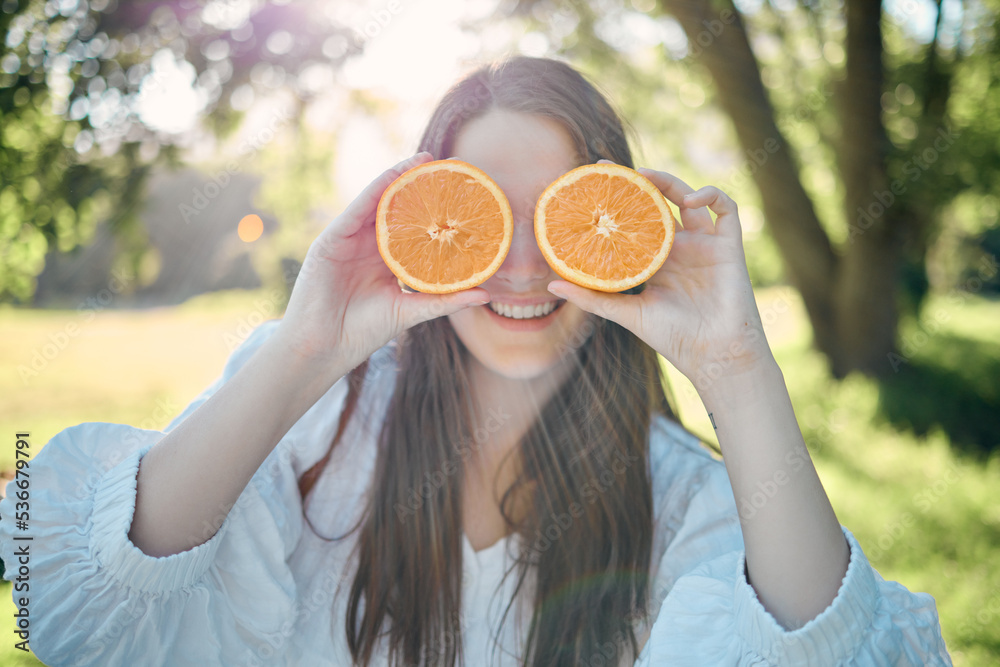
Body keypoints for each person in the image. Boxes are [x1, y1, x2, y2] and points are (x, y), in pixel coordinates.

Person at [0, 56, 950, 666]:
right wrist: (305, 347)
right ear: (421, 222)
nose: (527, 267)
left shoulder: (689, 499)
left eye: (567, 219)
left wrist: (738, 366)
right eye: (482, 216)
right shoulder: (320, 420)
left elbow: (830, 651)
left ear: (623, 226)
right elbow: (94, 605)